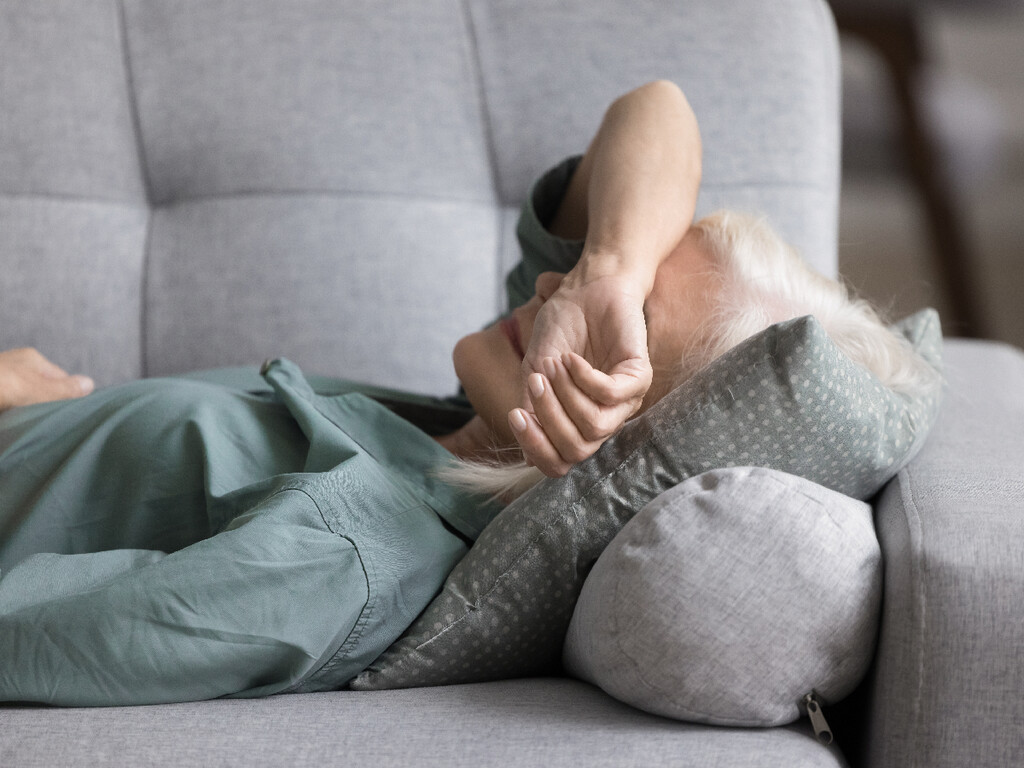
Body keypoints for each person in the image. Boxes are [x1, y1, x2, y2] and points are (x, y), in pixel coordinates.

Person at [0, 82, 934, 707]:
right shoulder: (469, 429)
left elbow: (34, 639)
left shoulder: (342, 558)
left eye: (635, 326)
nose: (551, 293)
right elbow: (660, 109)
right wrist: (610, 274)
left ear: (628, 448)